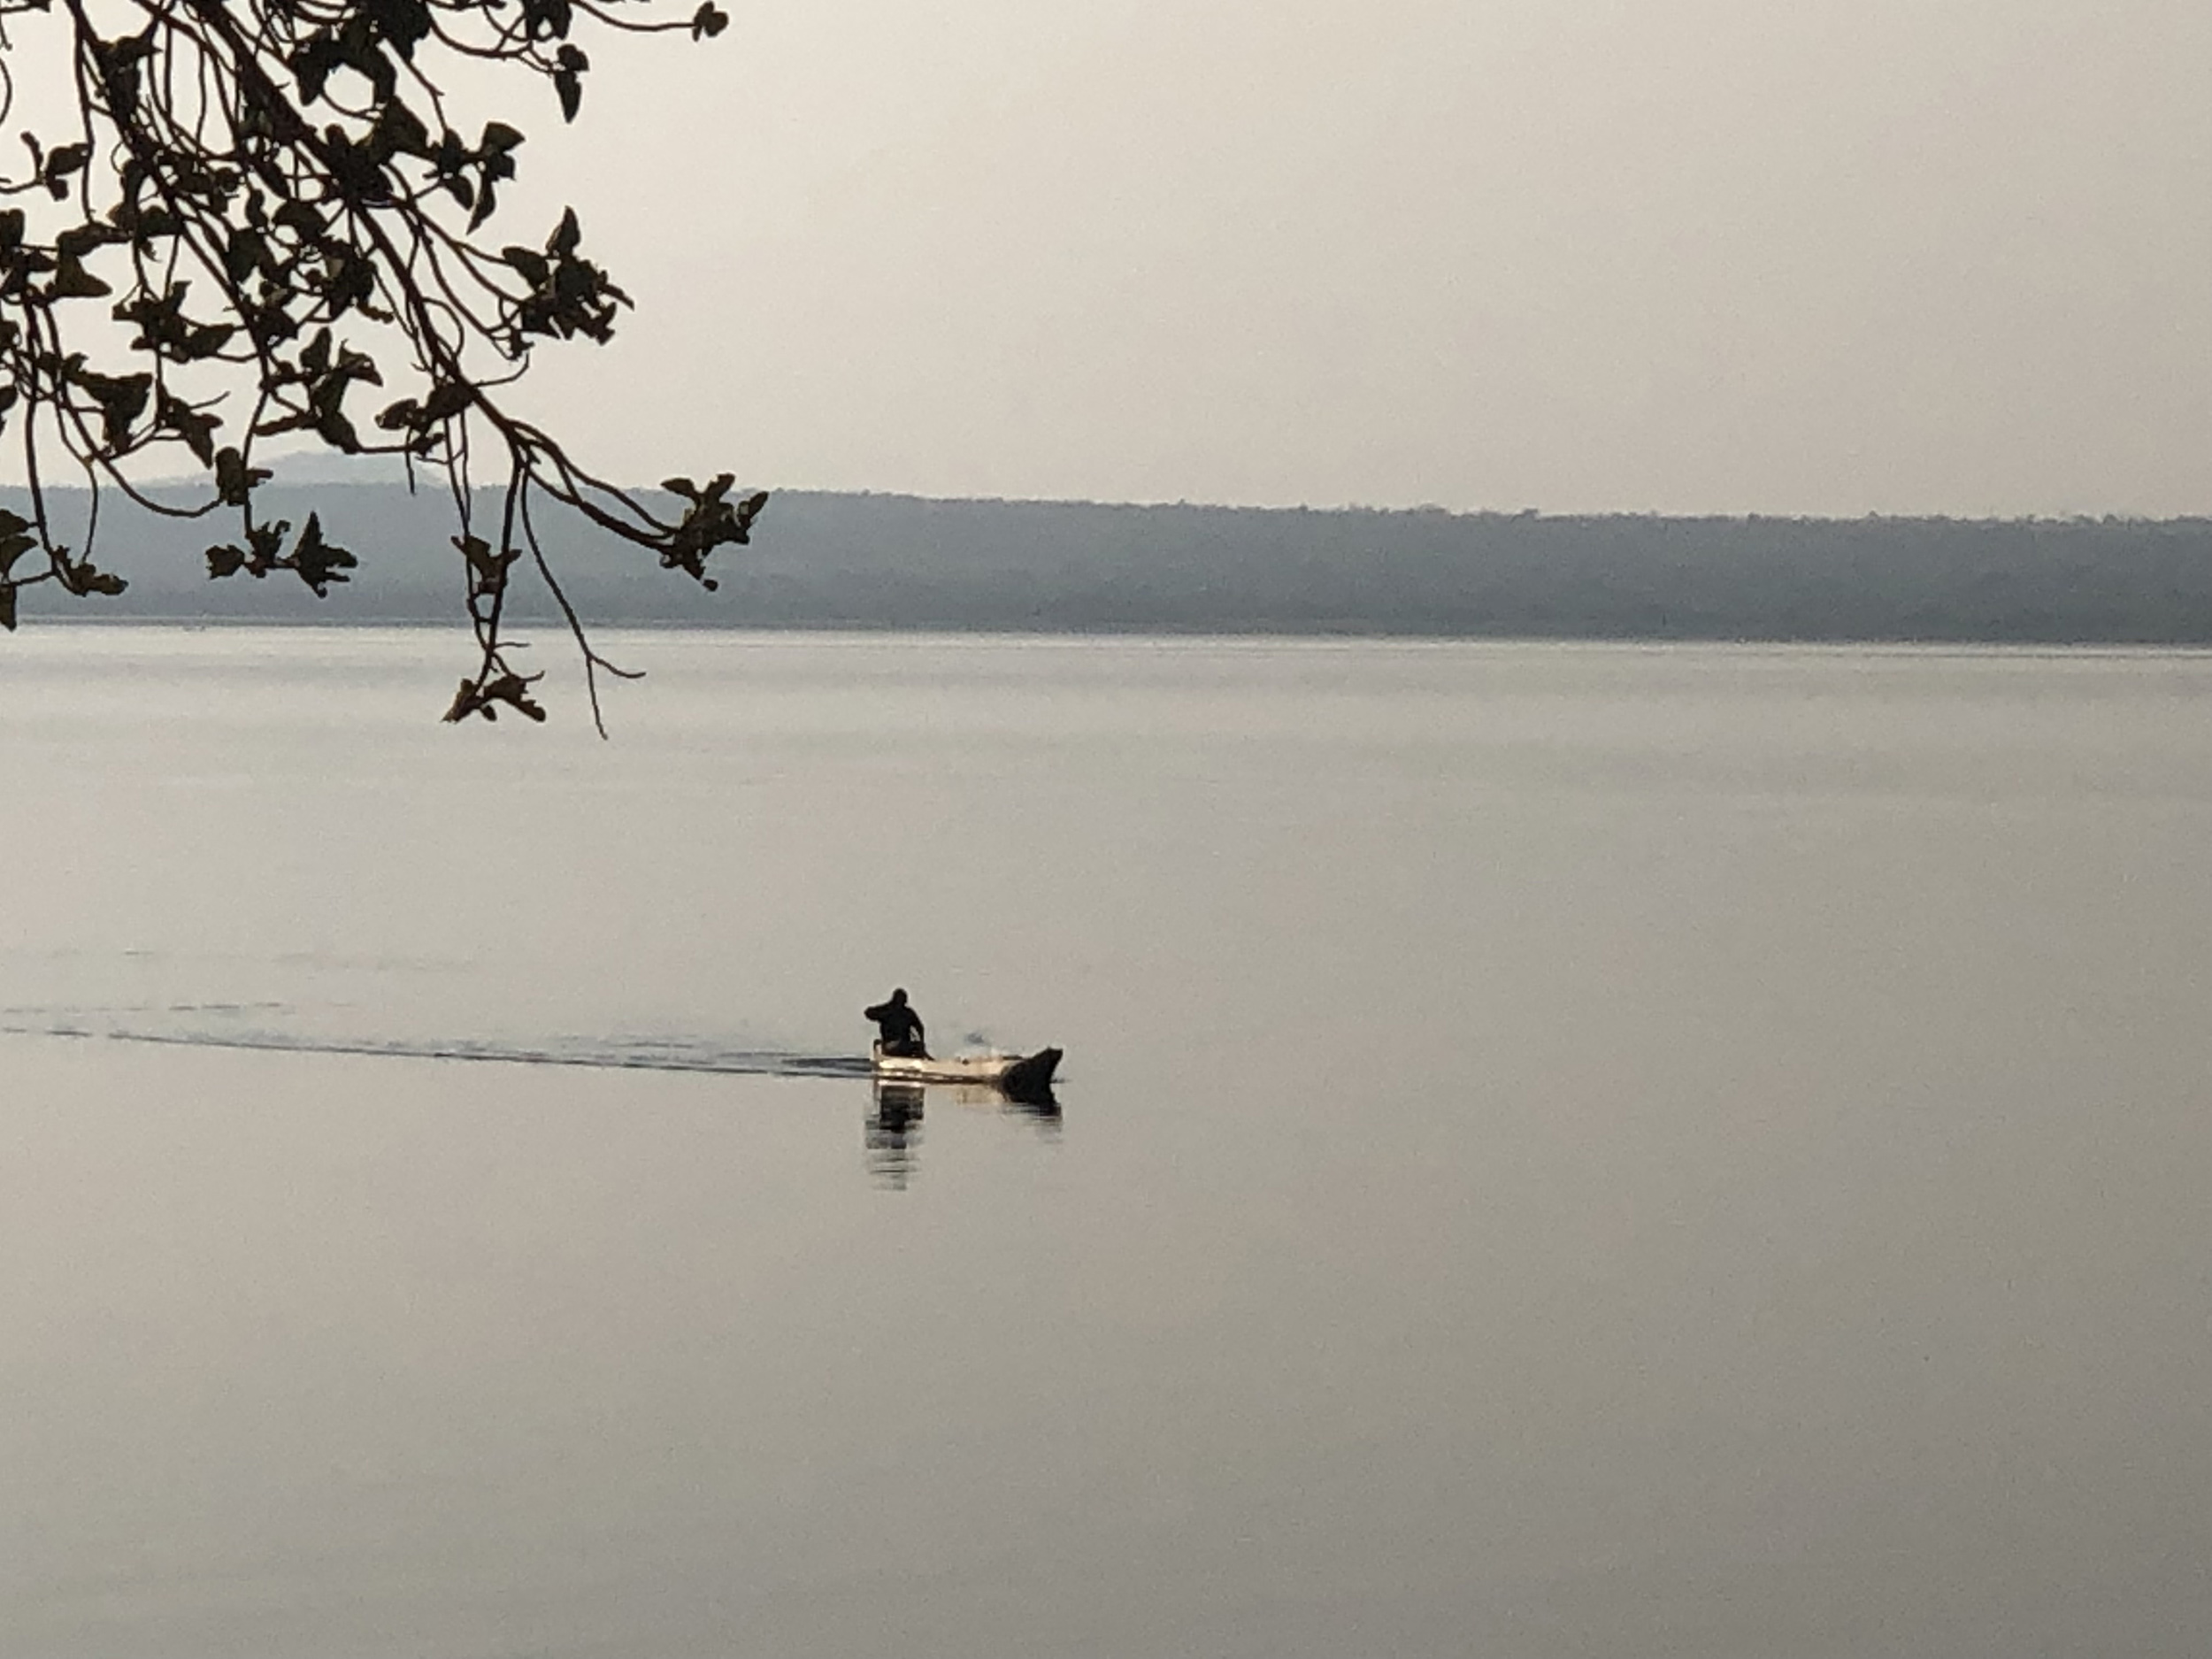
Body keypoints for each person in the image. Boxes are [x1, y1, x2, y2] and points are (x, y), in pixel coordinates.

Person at [864, 987, 928, 1058]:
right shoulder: (908, 1013)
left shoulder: (887, 1010)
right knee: (917, 1046)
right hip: (900, 1046)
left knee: (914, 1046)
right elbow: (920, 1028)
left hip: (892, 1047)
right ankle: (922, 1057)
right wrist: (922, 1042)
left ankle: (919, 1056)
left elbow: (868, 1012)